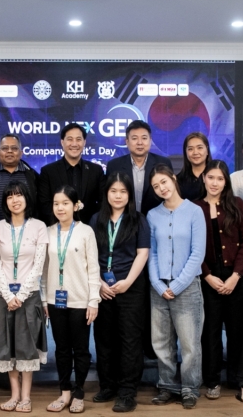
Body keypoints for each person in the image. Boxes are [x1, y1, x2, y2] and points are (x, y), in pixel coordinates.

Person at [0, 181, 49, 413]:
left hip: (29, 296)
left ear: (27, 198)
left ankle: (26, 397)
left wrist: (21, 294)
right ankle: (14, 395)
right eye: (10, 196)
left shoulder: (39, 226)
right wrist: (9, 295)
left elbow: (38, 266)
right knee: (7, 346)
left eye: (19, 195)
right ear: (5, 202)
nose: (15, 200)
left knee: (27, 347)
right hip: (3, 296)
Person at [146, 164, 206, 410]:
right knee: (161, 342)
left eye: (164, 182)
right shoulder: (152, 215)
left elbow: (197, 253)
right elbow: (152, 254)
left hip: (187, 287)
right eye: (156, 186)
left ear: (173, 178)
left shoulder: (194, 211)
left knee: (190, 343)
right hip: (159, 288)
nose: (161, 188)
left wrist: (178, 284)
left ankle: (190, 388)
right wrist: (158, 284)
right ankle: (167, 386)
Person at [196, 160, 243, 403]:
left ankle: (242, 382)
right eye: (211, 177)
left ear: (226, 182)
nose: (215, 183)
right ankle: (212, 381)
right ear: (204, 178)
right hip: (208, 278)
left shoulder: (237, 204)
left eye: (220, 179)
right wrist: (207, 275)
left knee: (240, 332)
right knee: (210, 332)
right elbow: (192, 247)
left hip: (237, 277)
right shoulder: (195, 207)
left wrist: (235, 276)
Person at [89, 172, 149, 412]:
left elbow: (142, 253)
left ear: (129, 195)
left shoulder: (138, 219)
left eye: (123, 191)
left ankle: (127, 392)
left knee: (130, 340)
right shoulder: (96, 219)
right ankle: (108, 385)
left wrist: (127, 282)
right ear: (106, 194)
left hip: (130, 288)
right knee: (104, 339)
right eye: (113, 191)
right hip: (103, 288)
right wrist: (99, 283)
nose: (118, 196)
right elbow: (90, 255)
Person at [41, 186, 100, 414]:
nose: (60, 208)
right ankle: (64, 391)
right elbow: (45, 270)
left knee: (81, 349)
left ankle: (79, 393)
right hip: (55, 301)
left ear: (75, 206)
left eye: (65, 203)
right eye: (56, 203)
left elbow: (93, 268)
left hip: (80, 301)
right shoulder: (47, 232)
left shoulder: (86, 231)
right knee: (62, 349)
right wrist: (44, 299)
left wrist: (93, 301)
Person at [37, 123, 105, 226]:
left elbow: (102, 202)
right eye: (70, 139)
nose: (74, 144)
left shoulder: (96, 170)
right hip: (58, 230)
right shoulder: (48, 171)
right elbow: (44, 205)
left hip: (90, 229)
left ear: (84, 142)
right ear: (62, 142)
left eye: (78, 139)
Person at [105, 120, 173, 214]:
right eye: (134, 138)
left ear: (150, 140)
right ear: (127, 142)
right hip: (124, 220)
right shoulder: (114, 166)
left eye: (144, 138)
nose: (140, 142)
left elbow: (170, 196)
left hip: (156, 219)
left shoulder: (163, 163)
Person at [0, 134, 38, 224]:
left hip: (28, 231)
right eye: (5, 148)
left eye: (14, 148)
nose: (9, 151)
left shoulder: (33, 176)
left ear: (21, 153)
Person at [177, 132, 212, 201]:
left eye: (200, 148)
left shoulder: (217, 177)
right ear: (186, 152)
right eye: (190, 149)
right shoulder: (178, 181)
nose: (195, 152)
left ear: (207, 150)